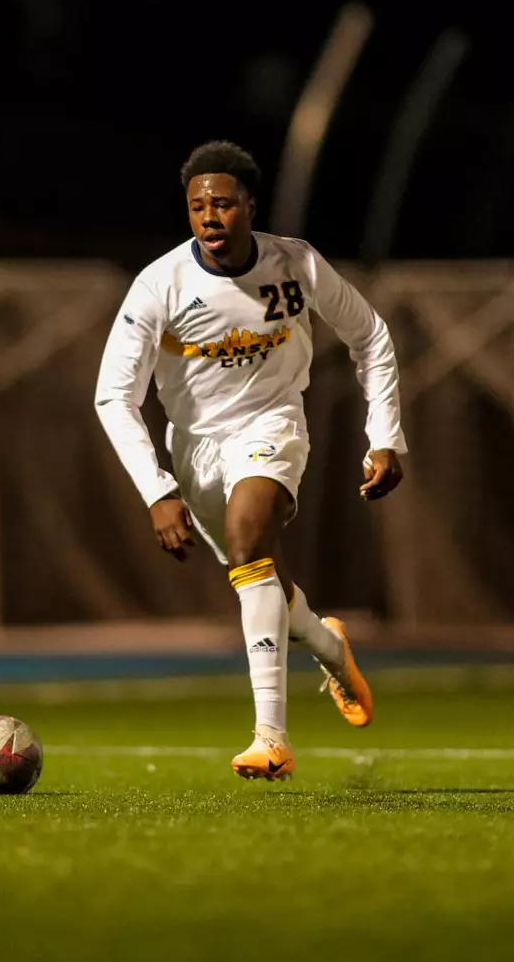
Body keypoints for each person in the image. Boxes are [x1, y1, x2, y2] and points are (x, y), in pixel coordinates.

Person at [94, 139, 408, 781]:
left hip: (272, 427)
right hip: (194, 450)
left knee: (248, 536)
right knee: (254, 570)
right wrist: (158, 489)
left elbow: (370, 335)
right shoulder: (158, 285)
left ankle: (272, 738)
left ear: (249, 207)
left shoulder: (296, 264)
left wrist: (385, 435)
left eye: (224, 204)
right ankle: (327, 643)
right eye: (197, 206)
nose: (210, 217)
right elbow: (113, 397)